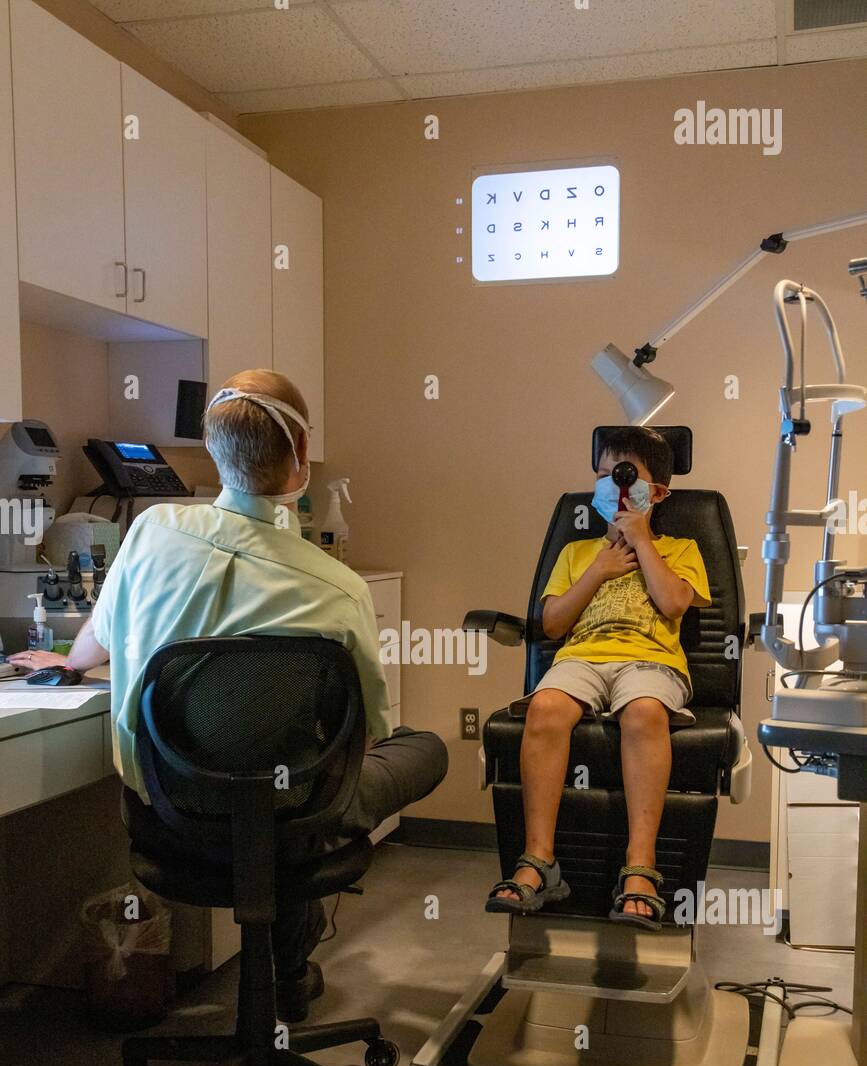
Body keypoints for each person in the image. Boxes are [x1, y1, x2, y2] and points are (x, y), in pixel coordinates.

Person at [13, 369, 447, 1016]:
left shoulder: (150, 534)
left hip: (168, 818)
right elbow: (371, 731)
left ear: (216, 453)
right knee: (409, 750)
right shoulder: (339, 589)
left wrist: (66, 664)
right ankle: (290, 969)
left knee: (276, 776)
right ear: (300, 457)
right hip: (290, 814)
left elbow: (95, 644)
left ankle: (284, 964)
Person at [487, 425, 710, 927]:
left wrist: (640, 540)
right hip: (582, 658)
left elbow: (675, 602)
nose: (616, 486)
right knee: (544, 709)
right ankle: (540, 860)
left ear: (657, 493)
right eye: (606, 476)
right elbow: (552, 624)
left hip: (649, 662)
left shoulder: (680, 549)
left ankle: (640, 867)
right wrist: (599, 569)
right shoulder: (577, 553)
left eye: (628, 478)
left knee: (644, 713)